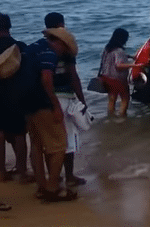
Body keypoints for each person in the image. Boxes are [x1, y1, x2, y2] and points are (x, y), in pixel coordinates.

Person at [25, 27, 78, 201]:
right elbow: (47, 80)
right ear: (60, 43)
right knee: (60, 144)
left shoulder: (34, 47)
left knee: (37, 144)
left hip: (25, 101)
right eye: (65, 48)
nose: (63, 53)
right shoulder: (49, 53)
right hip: (42, 102)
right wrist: (55, 106)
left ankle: (41, 186)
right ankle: (52, 187)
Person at [44, 13, 87, 188]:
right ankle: (69, 176)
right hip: (64, 97)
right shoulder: (66, 48)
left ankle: (54, 176)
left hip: (46, 98)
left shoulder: (42, 47)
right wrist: (82, 100)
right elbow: (73, 76)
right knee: (68, 140)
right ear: (61, 25)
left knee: (51, 141)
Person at [0, 13, 30, 184]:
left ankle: (2, 172)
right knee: (19, 134)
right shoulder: (18, 46)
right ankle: (22, 172)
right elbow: (27, 73)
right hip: (16, 95)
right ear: (9, 27)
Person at [100, 28, 136, 118]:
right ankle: (122, 117)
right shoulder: (119, 51)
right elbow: (119, 66)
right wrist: (134, 65)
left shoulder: (108, 48)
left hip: (106, 77)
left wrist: (129, 56)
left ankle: (111, 116)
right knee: (125, 98)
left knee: (112, 99)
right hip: (117, 79)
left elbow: (112, 58)